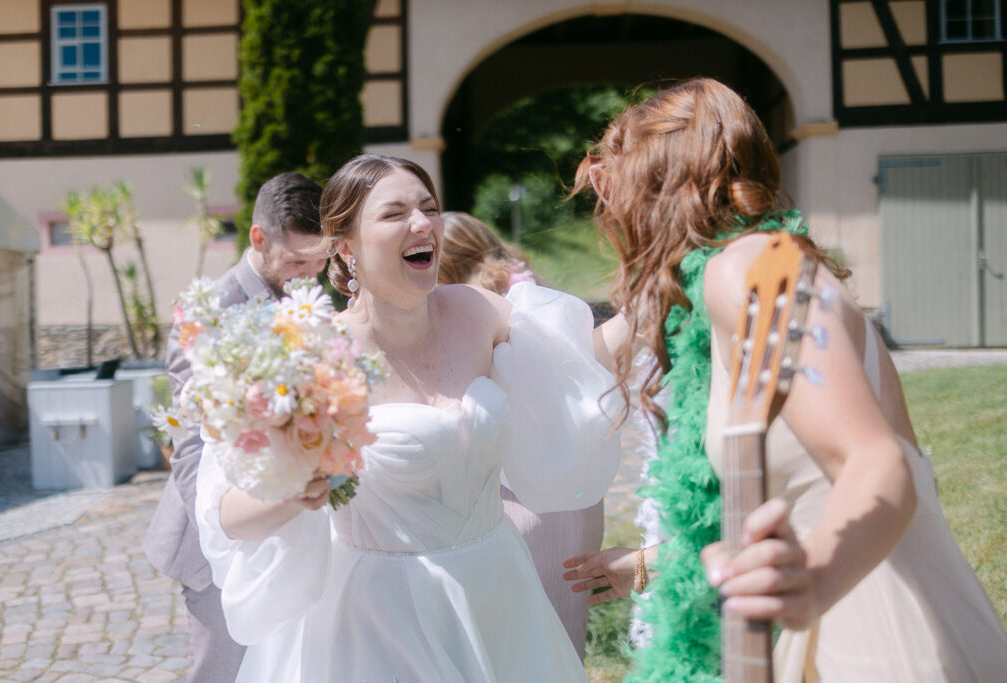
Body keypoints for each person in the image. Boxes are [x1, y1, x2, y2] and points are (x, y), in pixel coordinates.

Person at [568, 77, 1007, 681]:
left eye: (611, 177)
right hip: (838, 600)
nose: (606, 207)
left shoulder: (747, 269)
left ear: (656, 181)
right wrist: (642, 567)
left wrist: (814, 579)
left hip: (867, 624)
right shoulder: (746, 275)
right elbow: (778, 505)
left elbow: (877, 462)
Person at [192, 154, 633, 681]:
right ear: (345, 245)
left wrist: (661, 286)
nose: (422, 224)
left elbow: (581, 360)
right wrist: (293, 491)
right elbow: (227, 513)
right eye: (394, 213)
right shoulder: (309, 353)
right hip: (380, 618)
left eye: (429, 207)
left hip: (498, 592)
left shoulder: (477, 311)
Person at [143, 171, 330, 682]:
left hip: (301, 528)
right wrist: (229, 540)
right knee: (222, 673)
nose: (309, 274)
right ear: (258, 238)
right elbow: (188, 447)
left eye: (321, 261)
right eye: (296, 261)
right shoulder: (207, 310)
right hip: (221, 541)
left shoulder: (312, 298)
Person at [438, 210, 604, 657]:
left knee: (513, 641)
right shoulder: (533, 292)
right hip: (572, 495)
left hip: (521, 497)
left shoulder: (482, 311)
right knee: (559, 638)